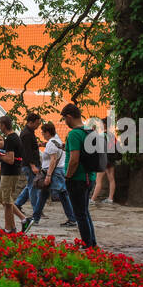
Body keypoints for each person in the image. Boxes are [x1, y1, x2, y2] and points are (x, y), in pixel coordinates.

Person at [60, 102, 97, 248]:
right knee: (85, 212)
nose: (65, 122)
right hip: (90, 177)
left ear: (69, 117)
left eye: (64, 119)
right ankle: (92, 242)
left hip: (77, 179)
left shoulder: (74, 134)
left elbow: (74, 160)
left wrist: (67, 176)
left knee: (80, 215)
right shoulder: (90, 131)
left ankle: (86, 245)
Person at [30, 120, 77, 228]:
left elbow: (53, 159)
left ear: (47, 133)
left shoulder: (52, 143)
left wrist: (48, 176)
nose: (42, 134)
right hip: (58, 171)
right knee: (45, 194)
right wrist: (44, 144)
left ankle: (72, 219)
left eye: (42, 132)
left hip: (54, 172)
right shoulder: (56, 140)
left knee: (63, 195)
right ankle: (35, 217)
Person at [0, 115, 33, 233]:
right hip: (8, 172)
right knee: (3, 199)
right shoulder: (12, 137)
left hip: (10, 173)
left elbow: (10, 160)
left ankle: (9, 228)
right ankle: (16, 224)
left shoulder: (11, 139)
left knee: (6, 201)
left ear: (3, 125)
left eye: (0, 125)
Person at [14, 111, 43, 214]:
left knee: (30, 185)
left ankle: (17, 204)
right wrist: (33, 166)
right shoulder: (26, 134)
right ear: (31, 122)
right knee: (33, 187)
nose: (38, 125)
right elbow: (26, 151)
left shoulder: (29, 132)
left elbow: (30, 147)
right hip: (29, 165)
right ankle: (36, 210)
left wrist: (39, 144)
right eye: (37, 123)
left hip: (31, 164)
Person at [92, 117, 118, 205]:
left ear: (104, 125)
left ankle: (92, 199)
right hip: (111, 159)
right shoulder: (112, 135)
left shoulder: (102, 135)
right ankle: (110, 199)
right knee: (111, 179)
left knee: (98, 180)